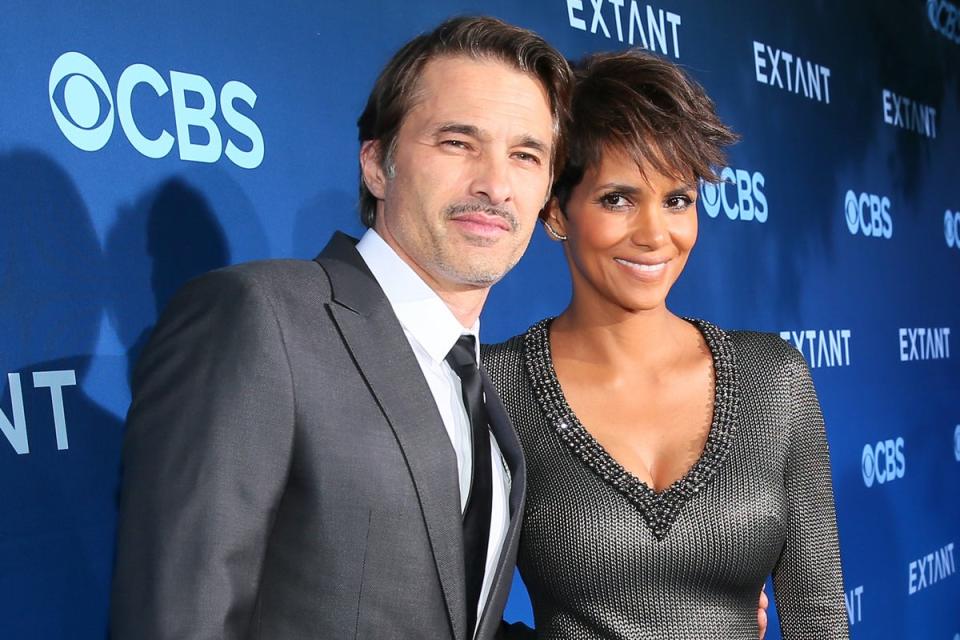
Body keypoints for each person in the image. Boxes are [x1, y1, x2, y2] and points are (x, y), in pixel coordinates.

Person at [110, 16, 570, 640]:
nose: (494, 184)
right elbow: (177, 619)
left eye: (524, 155)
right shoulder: (260, 318)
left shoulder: (486, 393)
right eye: (457, 142)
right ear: (378, 165)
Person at [484, 50, 849, 639]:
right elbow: (449, 607)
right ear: (556, 212)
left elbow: (820, 616)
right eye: (617, 199)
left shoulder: (773, 379)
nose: (656, 235)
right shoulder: (496, 387)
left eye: (677, 200)